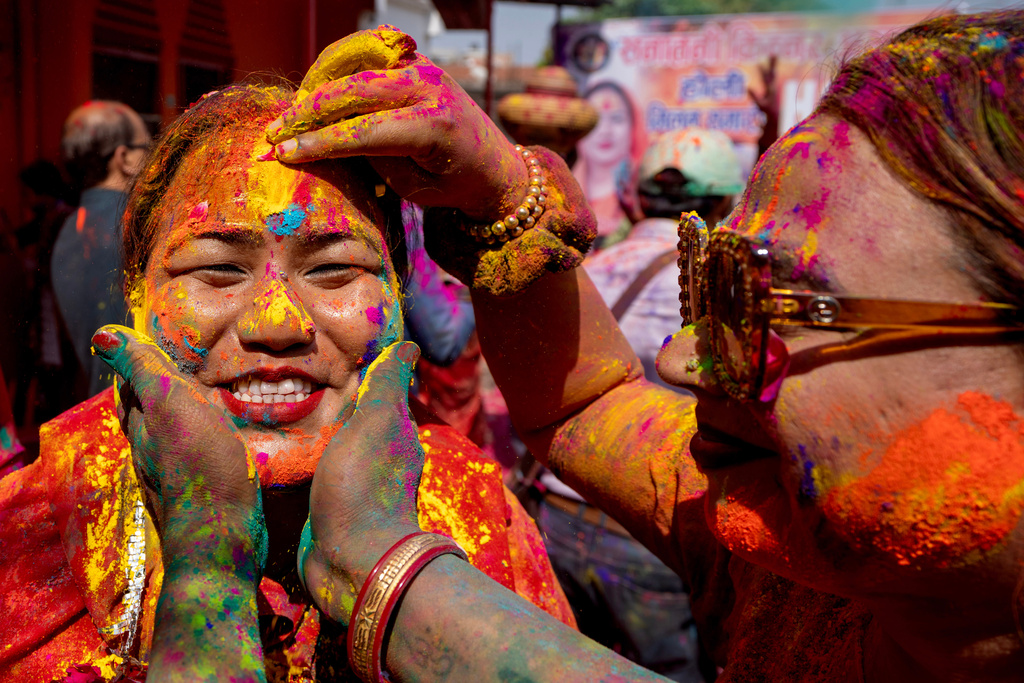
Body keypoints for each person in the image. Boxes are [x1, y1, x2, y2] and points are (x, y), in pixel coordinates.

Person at [160, 14, 1022, 682]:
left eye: (772, 305)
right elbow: (590, 403)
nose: (685, 361)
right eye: (708, 282)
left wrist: (378, 573)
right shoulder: (797, 558)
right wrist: (501, 195)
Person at [0, 82, 575, 681]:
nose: (277, 325)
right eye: (217, 270)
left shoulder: (480, 509)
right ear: (138, 300)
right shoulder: (26, 537)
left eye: (334, 270)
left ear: (400, 299)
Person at [51, 101, 149, 398]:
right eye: (147, 148)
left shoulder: (68, 229)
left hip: (99, 406)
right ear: (124, 158)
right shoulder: (136, 225)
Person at [573, 82, 646, 245]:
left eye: (617, 119)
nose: (606, 130)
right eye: (596, 120)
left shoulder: (643, 199)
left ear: (633, 127)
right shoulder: (560, 193)